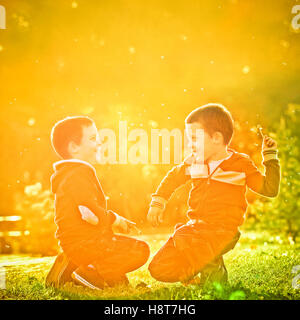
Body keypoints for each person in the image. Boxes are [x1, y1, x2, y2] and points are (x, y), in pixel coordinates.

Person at [147, 103, 280, 285]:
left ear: (216, 137)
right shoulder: (195, 163)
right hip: (196, 230)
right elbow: (173, 179)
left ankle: (211, 269)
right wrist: (158, 202)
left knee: (183, 236)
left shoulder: (240, 164)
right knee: (158, 268)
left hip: (223, 231)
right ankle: (202, 268)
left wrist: (270, 157)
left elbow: (269, 189)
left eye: (194, 138)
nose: (190, 145)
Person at [45, 116, 150, 289]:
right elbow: (89, 213)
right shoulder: (79, 174)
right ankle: (89, 272)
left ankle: (68, 270)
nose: (99, 143)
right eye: (93, 139)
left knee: (117, 280)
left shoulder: (68, 174)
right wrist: (115, 220)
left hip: (76, 243)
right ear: (74, 147)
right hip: (86, 243)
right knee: (140, 250)